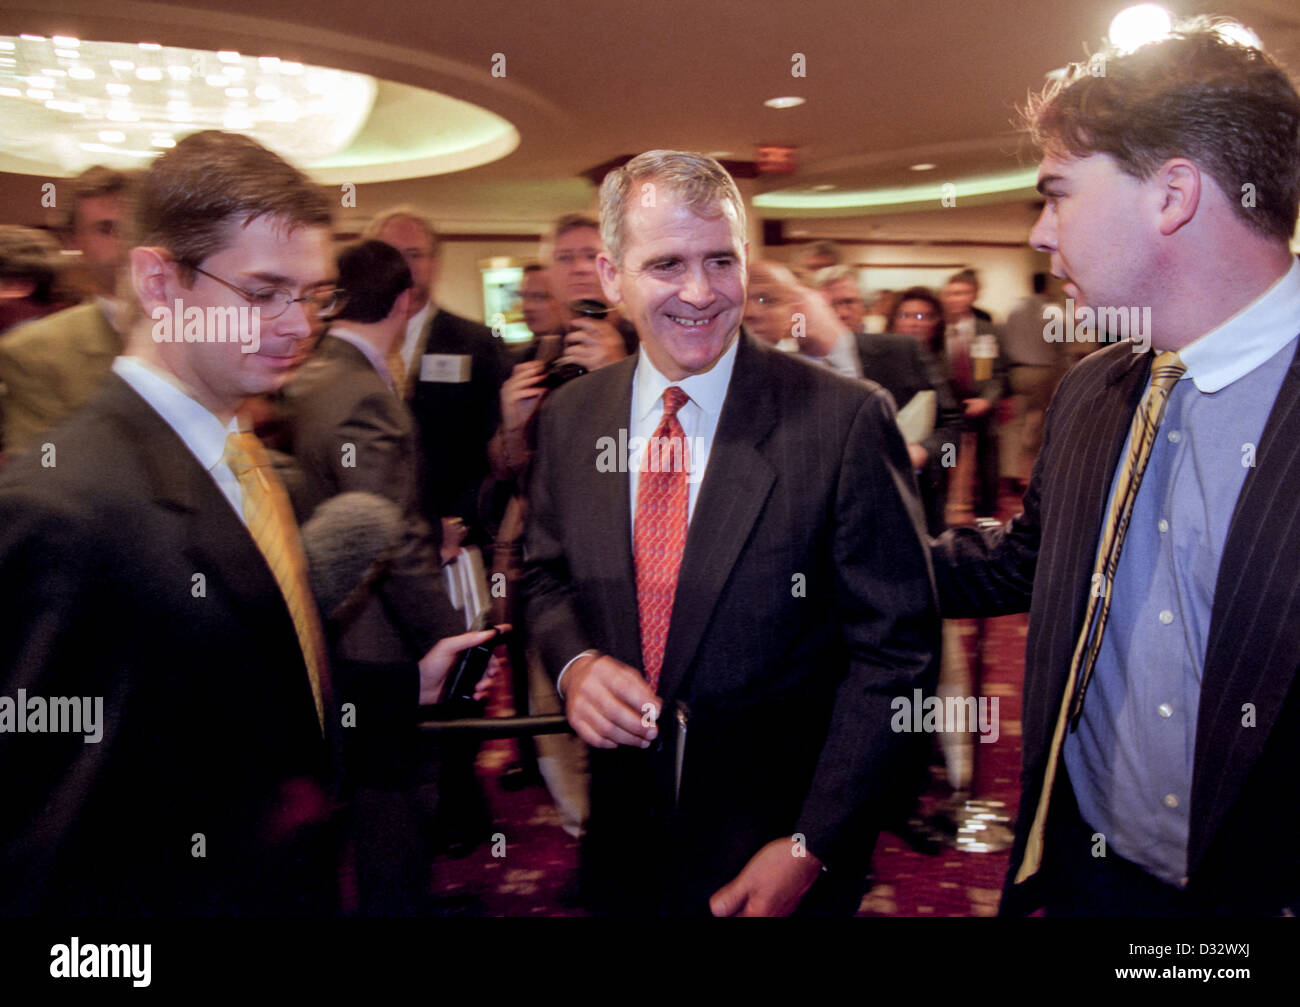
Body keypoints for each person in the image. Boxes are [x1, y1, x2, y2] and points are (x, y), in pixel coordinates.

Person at [0, 131, 493, 916]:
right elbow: (39, 843)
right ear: (160, 281)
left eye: (316, 295)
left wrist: (394, 688)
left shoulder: (253, 459)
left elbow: (238, 690)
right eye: (264, 293)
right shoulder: (64, 506)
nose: (301, 325)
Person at [932, 18, 1300, 916]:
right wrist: (818, 553)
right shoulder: (1095, 388)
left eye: (1057, 193)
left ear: (1172, 194)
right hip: (1085, 875)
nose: (1039, 235)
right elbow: (1028, 559)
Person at [523, 150, 938, 916]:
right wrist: (576, 662)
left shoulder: (843, 421)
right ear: (612, 279)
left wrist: (815, 841)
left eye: (722, 259)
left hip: (778, 851)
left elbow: (896, 654)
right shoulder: (572, 418)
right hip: (623, 839)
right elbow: (544, 576)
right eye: (667, 264)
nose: (701, 291)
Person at [366, 206, 505, 541]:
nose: (402, 267)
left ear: (435, 264)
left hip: (455, 530)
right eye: (389, 255)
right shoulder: (341, 343)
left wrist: (459, 520)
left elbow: (492, 446)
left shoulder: (477, 343)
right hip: (368, 531)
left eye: (414, 255)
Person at [815, 267, 962, 537]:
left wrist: (921, 453)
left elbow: (951, 428)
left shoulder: (902, 351)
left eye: (849, 301)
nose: (841, 313)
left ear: (863, 307)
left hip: (901, 518)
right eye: (829, 304)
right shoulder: (785, 367)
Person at [0, 166, 132, 453]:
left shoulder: (219, 329)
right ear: (74, 241)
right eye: (106, 229)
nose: (127, 245)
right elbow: (43, 479)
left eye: (139, 227)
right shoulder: (34, 352)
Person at [940, 270, 1006, 516]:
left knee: (987, 463)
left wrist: (987, 400)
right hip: (948, 410)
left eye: (962, 293)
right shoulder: (938, 330)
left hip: (982, 408)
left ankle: (987, 516)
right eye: (951, 293)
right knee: (947, 457)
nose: (955, 299)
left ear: (973, 295)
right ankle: (941, 512)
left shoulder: (987, 331)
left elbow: (998, 373)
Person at [1000, 272, 1067, 485]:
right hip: (1043, 371)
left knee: (1015, 423)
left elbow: (1005, 341)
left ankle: (1011, 471)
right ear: (1047, 287)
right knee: (1039, 421)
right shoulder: (1053, 311)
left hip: (1017, 371)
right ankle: (1031, 470)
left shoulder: (1014, 310)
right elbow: (1060, 348)